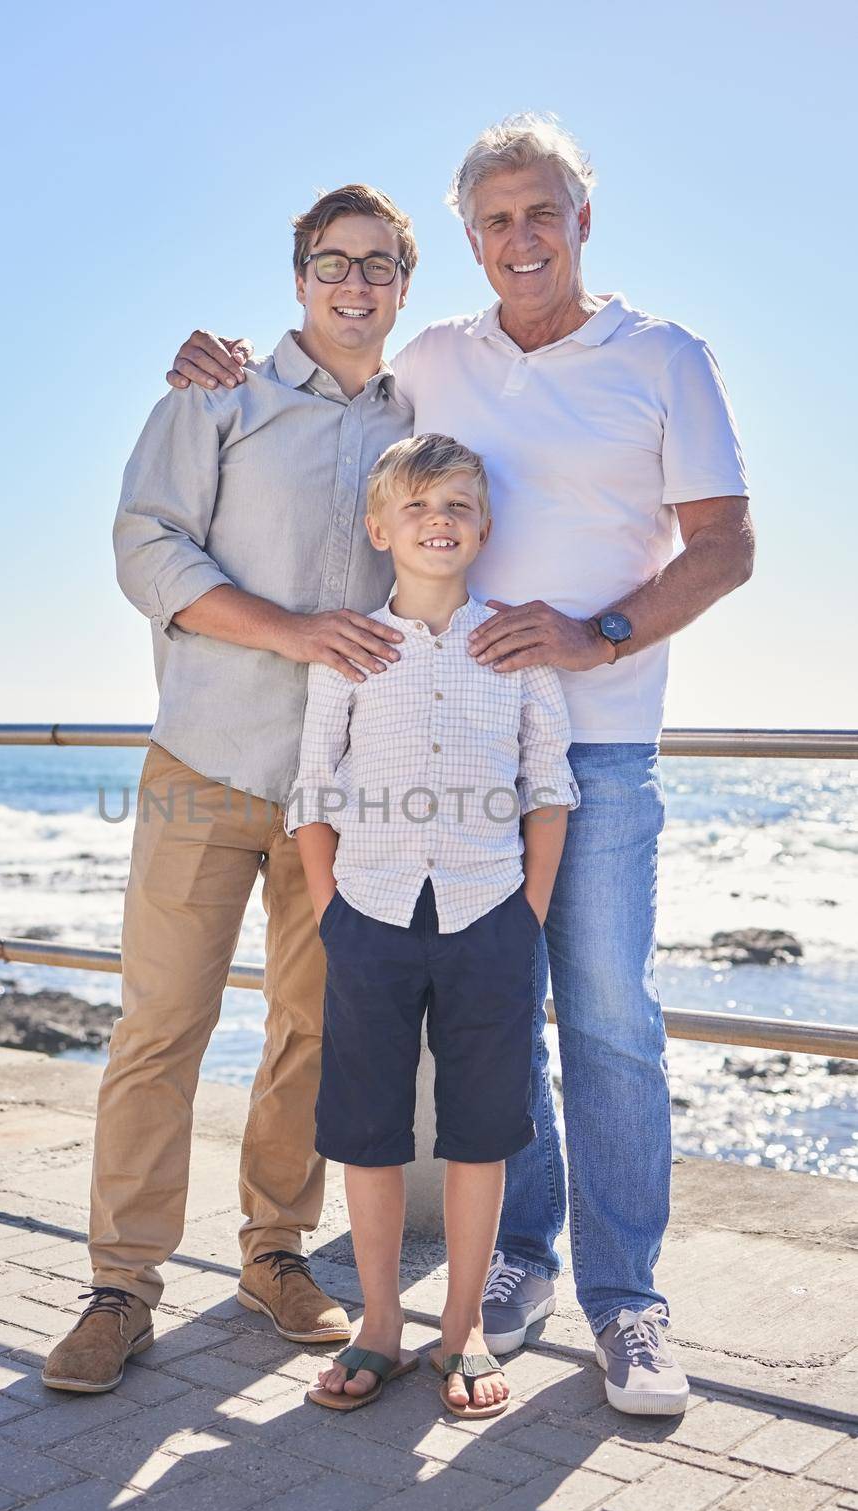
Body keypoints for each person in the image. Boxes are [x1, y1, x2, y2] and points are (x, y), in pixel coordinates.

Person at [163, 113, 754, 1414]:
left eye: (539, 212)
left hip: (590, 751)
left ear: (580, 219)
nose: (518, 238)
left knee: (604, 1024)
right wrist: (220, 364)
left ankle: (628, 1303)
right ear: (472, 241)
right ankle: (514, 1267)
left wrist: (599, 635)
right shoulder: (434, 358)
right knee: (503, 1040)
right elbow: (327, 391)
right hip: (438, 765)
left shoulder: (661, 356)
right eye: (492, 220)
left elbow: (719, 546)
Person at [43, 184, 418, 1394]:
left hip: (340, 789)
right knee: (160, 1029)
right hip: (205, 764)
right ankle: (120, 1286)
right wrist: (295, 631)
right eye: (331, 261)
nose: (352, 283)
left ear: (404, 284)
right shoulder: (218, 391)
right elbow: (145, 548)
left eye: (376, 264)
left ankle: (274, 1255)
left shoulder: (422, 413)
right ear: (298, 275)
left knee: (309, 1032)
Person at [289, 434, 579, 1418]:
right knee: (365, 1132)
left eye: (455, 505)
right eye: (414, 508)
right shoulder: (350, 652)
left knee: (480, 1131)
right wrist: (331, 912)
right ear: (380, 528)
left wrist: (524, 914)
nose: (436, 522)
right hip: (366, 916)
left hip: (487, 917)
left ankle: (456, 1336)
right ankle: (378, 1326)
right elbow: (311, 790)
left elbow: (547, 785)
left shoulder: (515, 647)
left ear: (482, 524)